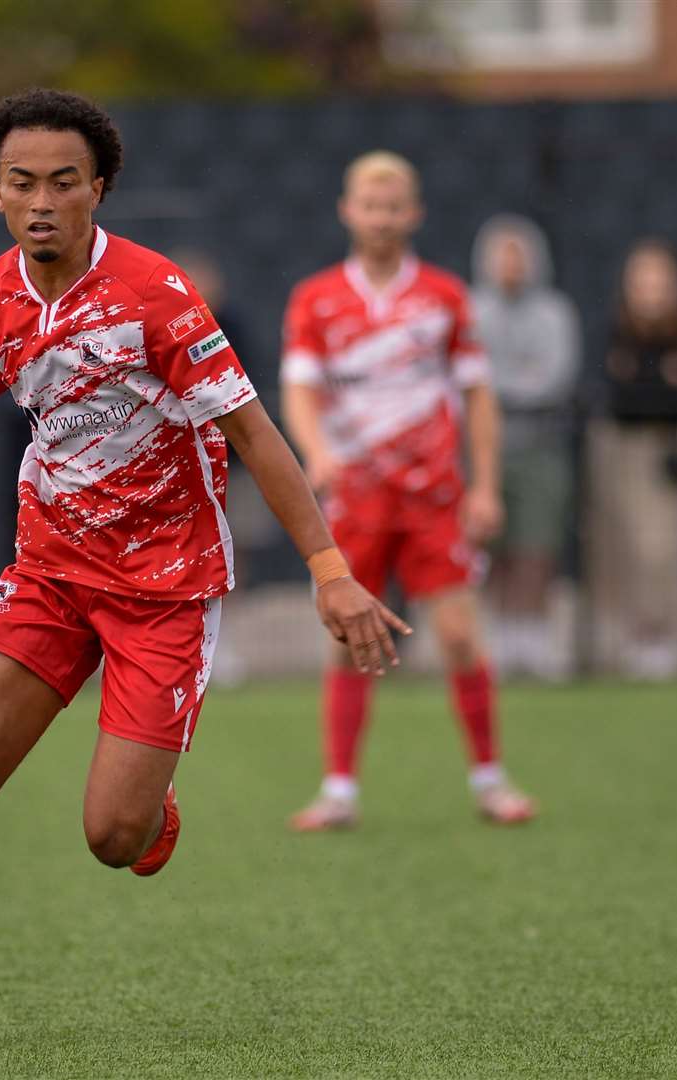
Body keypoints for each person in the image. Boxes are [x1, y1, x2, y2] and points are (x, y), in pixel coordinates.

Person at [0, 89, 409, 1047]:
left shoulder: (156, 295)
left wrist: (328, 567)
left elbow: (253, 434)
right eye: (22, 184)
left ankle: (149, 800)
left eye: (63, 181)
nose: (42, 200)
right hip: (51, 574)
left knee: (112, 840)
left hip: (168, 587)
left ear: (99, 187)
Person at [281, 151, 536, 832]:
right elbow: (299, 389)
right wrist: (318, 451)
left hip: (433, 496)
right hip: (357, 497)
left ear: (414, 213)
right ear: (348, 210)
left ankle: (490, 780)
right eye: (371, 204)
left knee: (457, 634)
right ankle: (339, 790)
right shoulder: (316, 298)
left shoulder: (446, 297)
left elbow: (479, 397)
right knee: (346, 638)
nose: (382, 217)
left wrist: (485, 485)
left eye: (395, 206)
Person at [586, 238, 677, 679]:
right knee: (626, 544)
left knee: (666, 546)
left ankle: (663, 636)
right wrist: (661, 379)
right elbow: (622, 394)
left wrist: (652, 381)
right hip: (624, 447)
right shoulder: (616, 327)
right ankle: (631, 637)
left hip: (671, 448)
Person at [470, 214, 581, 680]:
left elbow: (554, 377)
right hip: (482, 452)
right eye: (503, 255)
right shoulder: (470, 309)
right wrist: (507, 385)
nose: (511, 265)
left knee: (536, 544)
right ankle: (499, 636)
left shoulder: (555, 313)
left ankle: (533, 635)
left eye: (519, 255)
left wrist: (500, 388)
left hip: (541, 447)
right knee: (490, 545)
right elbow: (471, 376)